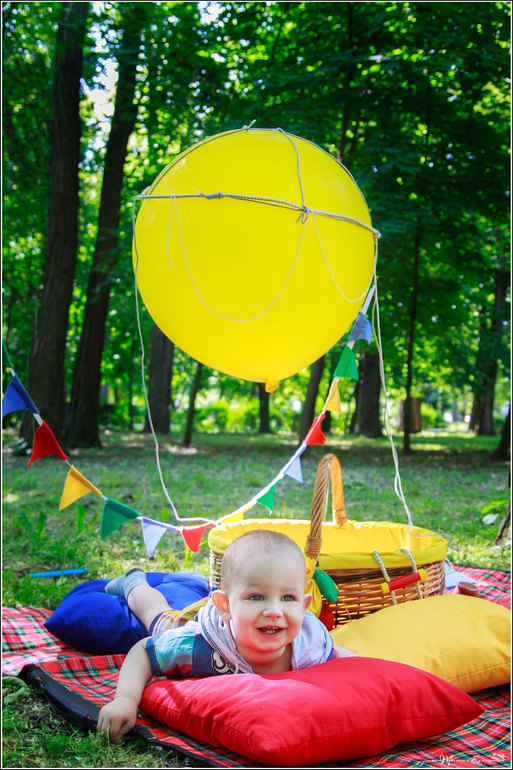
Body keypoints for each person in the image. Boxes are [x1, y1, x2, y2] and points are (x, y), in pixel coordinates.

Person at [97, 529, 356, 743]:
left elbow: (347, 662)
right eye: (256, 596)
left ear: (303, 605)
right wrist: (126, 699)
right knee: (159, 616)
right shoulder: (197, 647)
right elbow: (144, 651)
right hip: (208, 629)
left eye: (288, 598)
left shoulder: (311, 645)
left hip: (231, 615)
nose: (274, 611)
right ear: (226, 606)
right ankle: (134, 583)